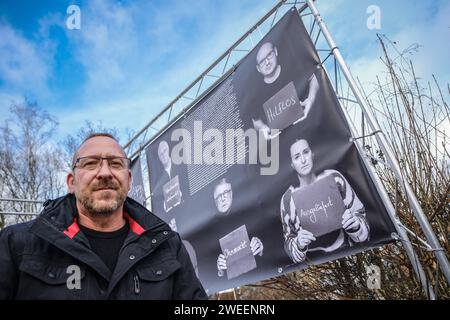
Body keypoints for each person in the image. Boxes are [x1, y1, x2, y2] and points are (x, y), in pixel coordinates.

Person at [0, 133, 206, 300]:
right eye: (91, 163)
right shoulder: (17, 244)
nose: (105, 172)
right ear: (72, 182)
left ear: (129, 179)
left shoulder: (167, 246)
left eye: (116, 164)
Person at [280, 139, 369, 264]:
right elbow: (289, 244)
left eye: (305, 152)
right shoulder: (287, 199)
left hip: (351, 255)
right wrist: (298, 244)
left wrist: (356, 226)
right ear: (292, 164)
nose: (303, 160)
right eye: (297, 157)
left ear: (312, 154)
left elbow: (360, 215)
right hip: (315, 268)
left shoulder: (334, 178)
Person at [252, 42, 320, 140]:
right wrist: (262, 128)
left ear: (275, 51)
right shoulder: (256, 93)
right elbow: (255, 119)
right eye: (262, 61)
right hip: (285, 142)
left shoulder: (292, 65)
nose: (267, 62)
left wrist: (311, 99)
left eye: (269, 55)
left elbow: (313, 78)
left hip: (313, 129)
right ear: (258, 68)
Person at [214, 178, 264, 276]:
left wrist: (261, 249)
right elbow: (211, 273)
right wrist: (219, 270)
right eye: (219, 196)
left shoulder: (249, 215)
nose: (223, 198)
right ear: (214, 201)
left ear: (232, 193)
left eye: (226, 192)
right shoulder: (210, 233)